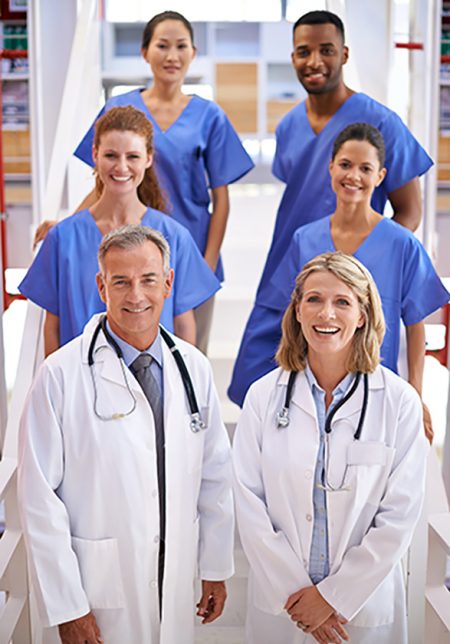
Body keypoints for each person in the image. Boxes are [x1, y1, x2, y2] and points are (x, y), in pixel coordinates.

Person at [18, 225, 234, 644]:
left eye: (149, 279)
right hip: (97, 593)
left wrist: (215, 567)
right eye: (121, 281)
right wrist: (68, 605)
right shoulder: (60, 375)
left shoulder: (193, 368)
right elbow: (39, 498)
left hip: (173, 579)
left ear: (168, 283)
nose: (136, 295)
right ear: (102, 286)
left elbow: (215, 478)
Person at [233, 252, 428, 644]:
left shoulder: (398, 402)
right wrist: (299, 597)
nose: (327, 315)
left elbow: (399, 517)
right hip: (283, 606)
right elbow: (248, 504)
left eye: (342, 302)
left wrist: (333, 598)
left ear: (363, 315)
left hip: (360, 610)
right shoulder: (262, 397)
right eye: (315, 300)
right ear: (298, 311)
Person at [228, 123, 449, 443]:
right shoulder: (305, 239)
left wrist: (415, 394)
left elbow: (415, 324)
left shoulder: (401, 244)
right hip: (310, 383)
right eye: (345, 165)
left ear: (381, 177)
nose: (353, 176)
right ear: (331, 167)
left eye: (365, 168)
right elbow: (291, 313)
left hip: (376, 384)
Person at [71, 10, 254, 352]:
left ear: (193, 54)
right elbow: (103, 184)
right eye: (162, 45)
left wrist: (207, 264)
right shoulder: (120, 107)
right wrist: (65, 225)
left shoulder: (209, 116)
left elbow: (222, 200)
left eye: (181, 46)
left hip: (191, 251)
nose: (172, 56)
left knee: (189, 355)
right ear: (145, 52)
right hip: (128, 255)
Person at [253, 9, 432, 311]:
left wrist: (358, 266)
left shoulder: (382, 123)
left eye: (327, 50)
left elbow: (410, 213)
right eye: (303, 52)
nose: (314, 61)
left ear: (344, 55)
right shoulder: (288, 126)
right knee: (262, 357)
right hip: (286, 272)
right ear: (293, 57)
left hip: (348, 281)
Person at [20, 106, 221, 356]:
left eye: (133, 157)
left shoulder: (174, 236)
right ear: (95, 155)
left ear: (148, 158)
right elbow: (53, 327)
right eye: (111, 155)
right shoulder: (63, 239)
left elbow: (183, 323)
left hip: (153, 382)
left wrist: (186, 384)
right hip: (83, 383)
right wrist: (56, 389)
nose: (121, 167)